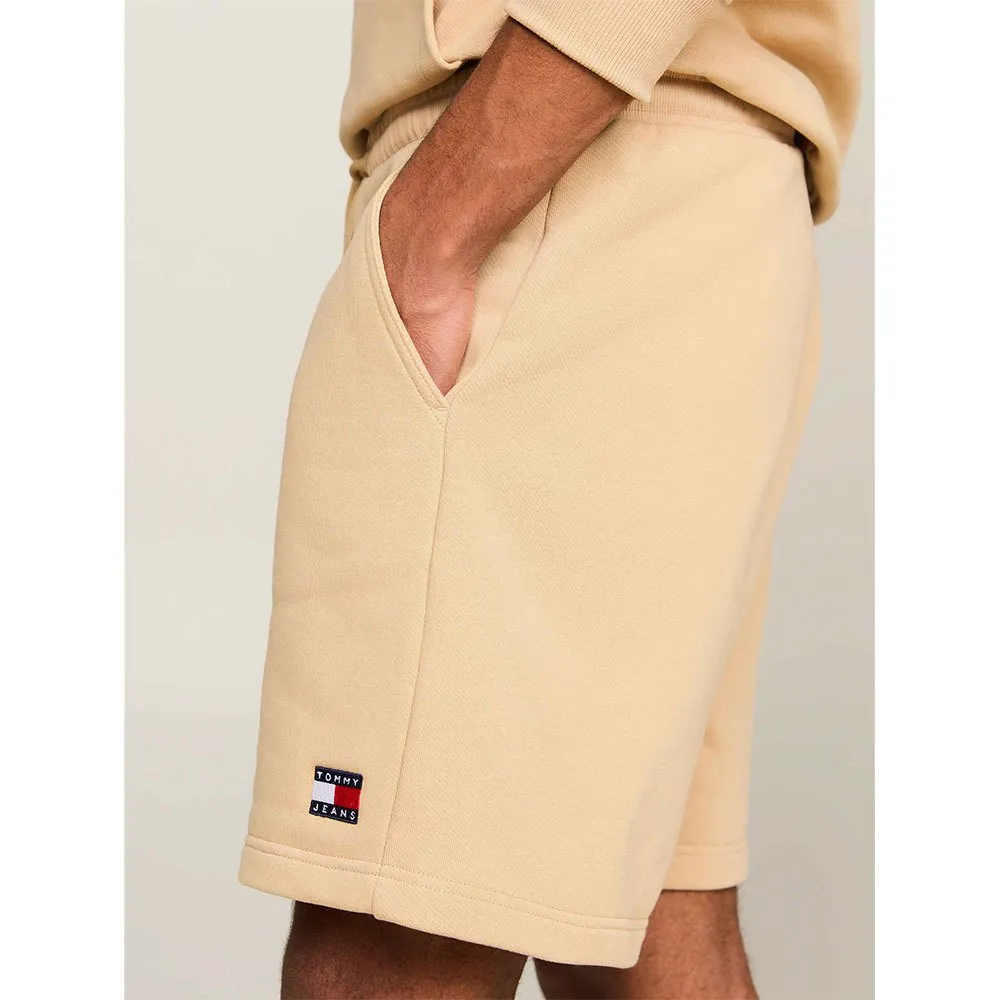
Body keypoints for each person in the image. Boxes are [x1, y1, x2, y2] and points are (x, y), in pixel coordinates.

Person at [239, 2, 861, 997]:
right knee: (656, 938)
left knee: (395, 932)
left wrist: (436, 227)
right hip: (681, 184)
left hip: (557, 175)